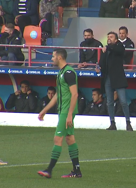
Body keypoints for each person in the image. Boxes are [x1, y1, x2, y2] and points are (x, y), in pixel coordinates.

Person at [38, 48, 82, 179]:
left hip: (66, 111)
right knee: (69, 138)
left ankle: (49, 170)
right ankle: (77, 171)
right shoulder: (61, 73)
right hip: (63, 110)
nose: (52, 59)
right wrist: (44, 110)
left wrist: (69, 115)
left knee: (58, 139)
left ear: (60, 57)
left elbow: (75, 94)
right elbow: (58, 94)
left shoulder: (68, 73)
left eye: (53, 56)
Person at [96, 32, 133, 131]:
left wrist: (107, 48)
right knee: (109, 102)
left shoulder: (119, 47)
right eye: (108, 37)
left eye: (111, 37)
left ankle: (128, 123)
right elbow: (102, 61)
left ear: (116, 40)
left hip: (118, 78)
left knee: (123, 101)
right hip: (107, 77)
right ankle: (112, 123)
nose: (109, 39)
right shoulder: (106, 49)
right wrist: (99, 67)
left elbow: (119, 51)